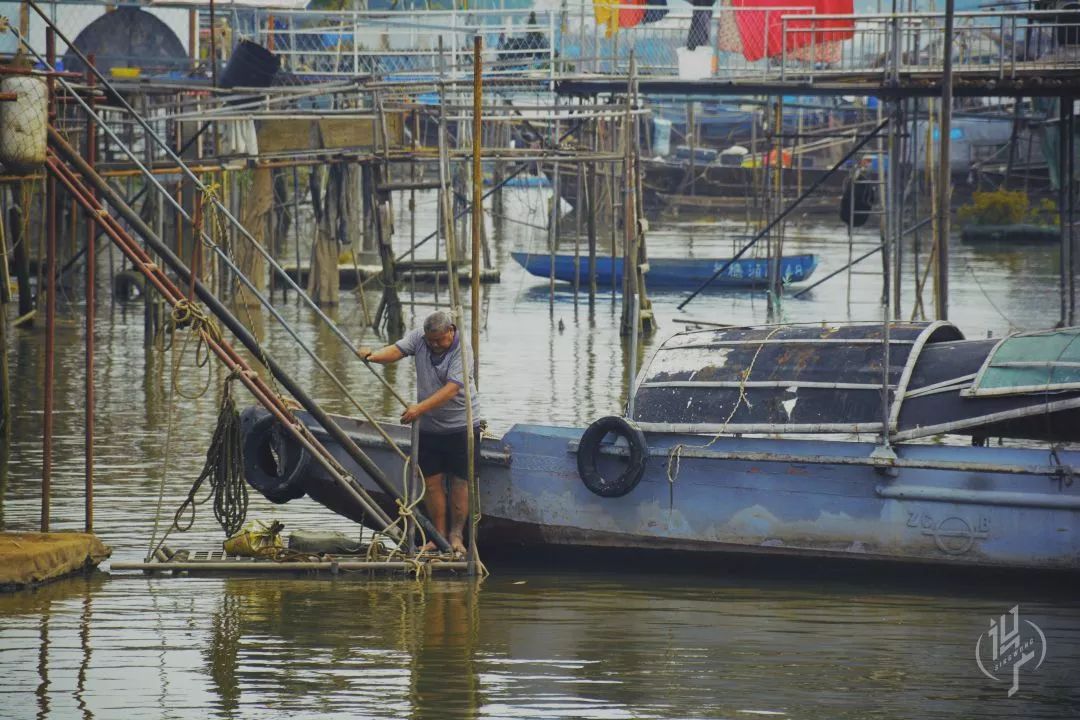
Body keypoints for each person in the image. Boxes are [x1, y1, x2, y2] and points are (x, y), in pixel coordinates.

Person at [357, 311, 481, 557]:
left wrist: (418, 409)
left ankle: (456, 536)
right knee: (432, 482)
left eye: (439, 341)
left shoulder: (462, 349)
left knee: (460, 482)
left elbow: (451, 389)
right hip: (429, 427)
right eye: (430, 341)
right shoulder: (420, 338)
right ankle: (437, 537)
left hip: (461, 425)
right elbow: (396, 350)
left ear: (450, 331)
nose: (433, 345)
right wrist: (372, 356)